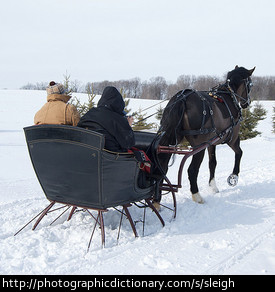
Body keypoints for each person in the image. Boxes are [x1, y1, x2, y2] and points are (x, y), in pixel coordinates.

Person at [77, 86, 135, 152]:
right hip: (111, 155)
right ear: (118, 103)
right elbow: (129, 143)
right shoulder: (117, 118)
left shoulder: (90, 113)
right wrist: (128, 125)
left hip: (85, 151)